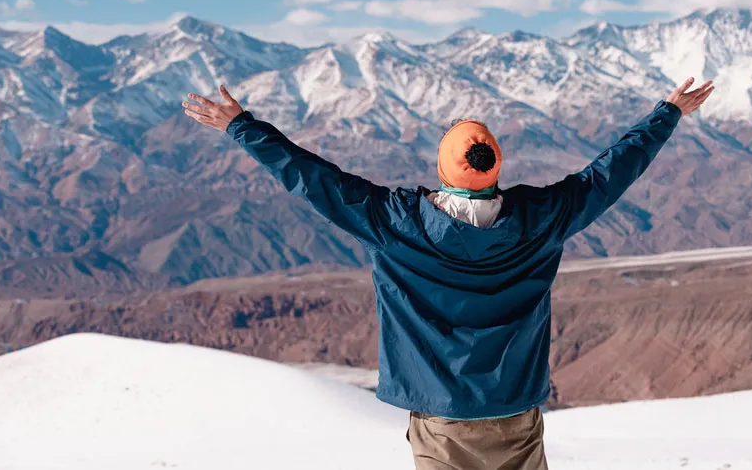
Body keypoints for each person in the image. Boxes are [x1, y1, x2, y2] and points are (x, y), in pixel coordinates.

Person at [182, 77, 714, 470]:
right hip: (516, 412)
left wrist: (241, 127)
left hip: (440, 420)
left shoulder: (395, 223)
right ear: (494, 168)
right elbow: (610, 172)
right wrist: (667, 113)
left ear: (443, 167)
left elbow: (313, 178)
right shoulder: (542, 219)